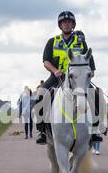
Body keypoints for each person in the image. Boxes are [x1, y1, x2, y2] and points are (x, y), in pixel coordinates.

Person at [35, 11, 101, 145]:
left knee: (94, 95)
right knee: (41, 94)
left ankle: (95, 130)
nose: (66, 24)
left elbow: (91, 64)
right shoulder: (52, 41)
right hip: (57, 76)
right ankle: (42, 130)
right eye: (64, 22)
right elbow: (46, 61)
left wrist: (88, 74)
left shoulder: (81, 42)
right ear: (60, 25)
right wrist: (55, 70)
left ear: (73, 25)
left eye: (69, 22)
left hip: (78, 78)